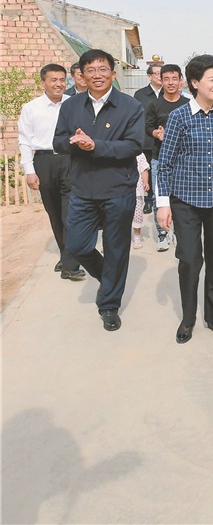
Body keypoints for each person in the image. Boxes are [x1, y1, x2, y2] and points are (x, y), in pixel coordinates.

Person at [155, 54, 213, 344]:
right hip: (186, 200)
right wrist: (163, 204)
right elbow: (165, 163)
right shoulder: (179, 117)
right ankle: (188, 318)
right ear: (195, 83)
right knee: (190, 259)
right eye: (212, 79)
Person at [53, 49, 145, 331]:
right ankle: (109, 276)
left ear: (113, 74)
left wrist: (96, 145)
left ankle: (109, 305)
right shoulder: (70, 106)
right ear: (81, 75)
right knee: (77, 245)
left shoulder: (130, 106)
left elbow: (134, 145)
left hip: (118, 189)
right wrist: (73, 142)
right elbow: (57, 142)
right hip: (83, 188)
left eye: (103, 69)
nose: (97, 75)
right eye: (90, 70)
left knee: (116, 248)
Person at [18, 64, 84, 280]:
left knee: (70, 214)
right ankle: (66, 256)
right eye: (53, 80)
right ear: (43, 83)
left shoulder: (74, 104)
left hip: (70, 160)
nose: (58, 84)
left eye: (62, 80)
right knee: (54, 214)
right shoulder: (31, 108)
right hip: (44, 162)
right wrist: (29, 170)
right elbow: (25, 141)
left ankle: (70, 265)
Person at [146, 64, 189, 252]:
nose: (171, 83)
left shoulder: (188, 104)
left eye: (174, 79)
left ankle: (180, 232)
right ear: (160, 81)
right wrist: (156, 133)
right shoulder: (154, 105)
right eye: (166, 79)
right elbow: (147, 127)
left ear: (180, 81)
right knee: (160, 197)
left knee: (182, 198)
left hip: (184, 159)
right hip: (160, 158)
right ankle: (162, 234)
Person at [134, 62, 163, 214]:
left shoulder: (168, 92)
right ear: (149, 76)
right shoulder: (140, 95)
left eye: (161, 73)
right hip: (147, 139)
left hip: (164, 139)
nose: (160, 76)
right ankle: (149, 199)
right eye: (156, 73)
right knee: (148, 170)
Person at [131, 154, 151, 249]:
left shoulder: (139, 154)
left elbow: (144, 169)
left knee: (137, 215)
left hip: (137, 190)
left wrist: (146, 182)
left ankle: (137, 237)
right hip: (119, 191)